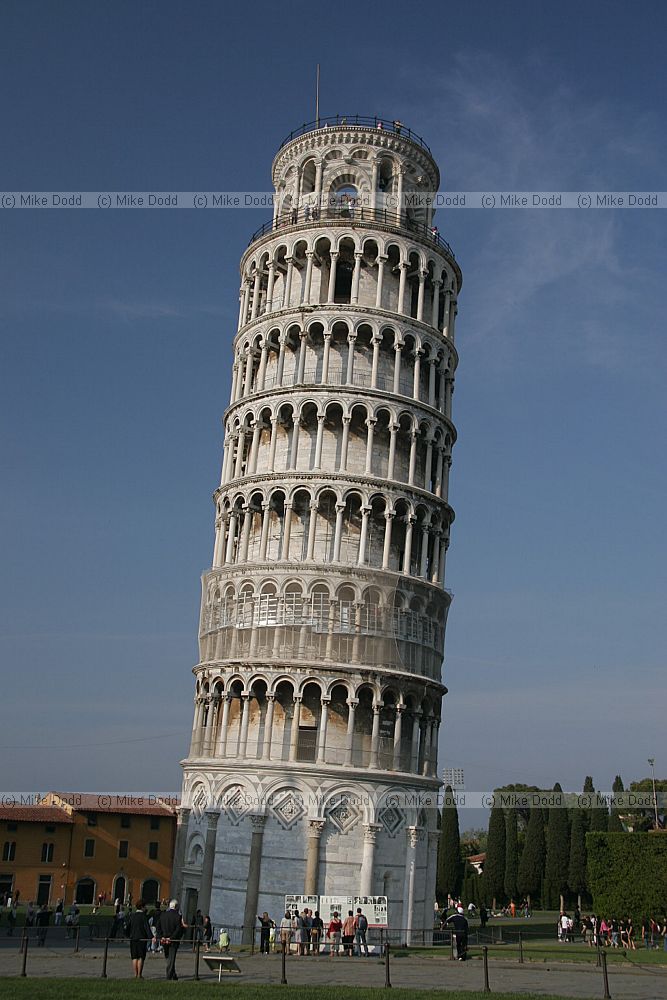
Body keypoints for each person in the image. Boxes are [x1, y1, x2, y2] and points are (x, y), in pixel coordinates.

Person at [160, 899, 187, 981]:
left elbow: (159, 927)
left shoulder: (163, 915)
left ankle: (173, 974)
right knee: (171, 958)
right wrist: (171, 938)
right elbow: (178, 929)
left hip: (164, 939)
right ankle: (168, 976)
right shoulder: (178, 917)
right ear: (176, 907)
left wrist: (161, 936)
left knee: (168, 957)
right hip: (173, 940)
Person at [129, 899, 151, 979]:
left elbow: (128, 927)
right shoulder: (144, 916)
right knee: (141, 957)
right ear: (142, 907)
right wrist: (151, 937)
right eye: (145, 906)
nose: (146, 908)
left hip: (133, 938)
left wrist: (129, 935)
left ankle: (135, 973)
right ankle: (139, 974)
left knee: (134, 957)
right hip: (141, 938)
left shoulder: (132, 916)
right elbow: (147, 928)